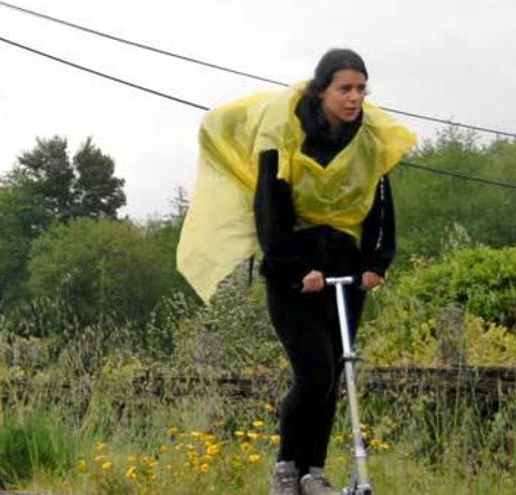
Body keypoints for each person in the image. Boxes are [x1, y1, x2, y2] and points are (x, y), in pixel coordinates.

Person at [177, 48, 416, 495]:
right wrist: (294, 267)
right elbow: (269, 209)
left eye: (361, 89)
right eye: (345, 88)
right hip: (295, 269)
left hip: (345, 269)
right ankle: (287, 466)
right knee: (316, 373)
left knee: (336, 376)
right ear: (321, 89)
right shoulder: (284, 130)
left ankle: (314, 472)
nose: (354, 97)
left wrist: (376, 263)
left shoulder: (369, 138)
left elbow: (380, 207)